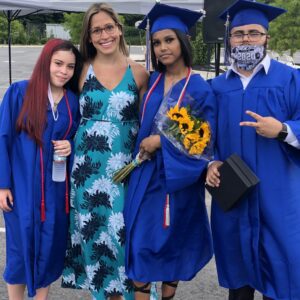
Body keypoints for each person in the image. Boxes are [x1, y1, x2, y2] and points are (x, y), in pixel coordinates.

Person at [206, 1, 300, 299]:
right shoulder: (217, 87)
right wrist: (209, 163)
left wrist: (284, 130)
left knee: (281, 275)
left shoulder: (290, 79)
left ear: (266, 38)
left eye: (254, 33)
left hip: (279, 196)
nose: (246, 39)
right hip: (235, 197)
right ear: (229, 39)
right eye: (239, 33)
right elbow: (205, 138)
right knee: (239, 276)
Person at [123, 3, 216, 300]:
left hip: (179, 181)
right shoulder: (151, 82)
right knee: (139, 245)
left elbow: (203, 140)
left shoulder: (199, 87)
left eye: (169, 40)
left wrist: (161, 142)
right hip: (146, 176)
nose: (162, 48)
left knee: (173, 243)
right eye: (156, 43)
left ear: (183, 40)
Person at [61, 3, 149, 300]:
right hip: (87, 172)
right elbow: (63, 110)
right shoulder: (80, 70)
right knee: (96, 240)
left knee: (124, 239)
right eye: (95, 30)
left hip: (126, 172)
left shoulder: (139, 73)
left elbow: (151, 121)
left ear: (119, 29)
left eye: (108, 27)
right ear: (88, 36)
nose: (103, 34)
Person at [0, 38, 82, 300]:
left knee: (48, 249)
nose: (63, 71)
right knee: (19, 249)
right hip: (22, 189)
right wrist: (2, 184)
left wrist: (70, 145)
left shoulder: (72, 102)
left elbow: (77, 138)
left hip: (56, 192)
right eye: (58, 63)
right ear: (46, 62)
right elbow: (2, 138)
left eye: (70, 66)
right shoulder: (19, 93)